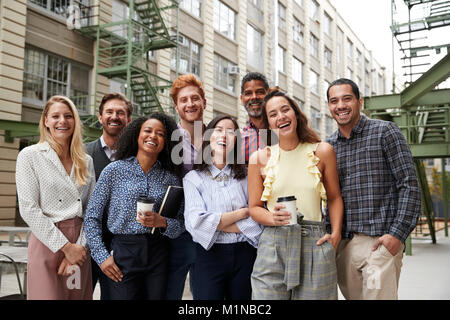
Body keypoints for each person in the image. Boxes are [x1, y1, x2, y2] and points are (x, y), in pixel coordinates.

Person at [325, 78, 421, 300]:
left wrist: (396, 235)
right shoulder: (328, 146)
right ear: (329, 106)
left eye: (347, 98)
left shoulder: (385, 132)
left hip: (379, 243)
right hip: (344, 246)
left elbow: (409, 185)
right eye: (334, 101)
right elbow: (329, 197)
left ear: (359, 101)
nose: (340, 105)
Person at [248, 88, 343, 300]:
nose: (280, 116)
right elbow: (254, 207)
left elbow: (335, 198)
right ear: (268, 124)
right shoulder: (259, 158)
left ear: (296, 114)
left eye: (285, 110)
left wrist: (335, 234)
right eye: (273, 114)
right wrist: (272, 218)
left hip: (314, 242)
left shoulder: (322, 151)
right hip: (273, 243)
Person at [84, 113, 184, 300]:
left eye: (160, 134)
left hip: (158, 253)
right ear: (137, 135)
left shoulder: (170, 178)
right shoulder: (114, 171)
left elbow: (180, 224)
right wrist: (101, 257)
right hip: (124, 251)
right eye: (147, 131)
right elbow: (91, 217)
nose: (153, 136)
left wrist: (162, 222)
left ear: (166, 142)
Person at [15, 95, 96, 300]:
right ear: (46, 121)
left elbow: (91, 210)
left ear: (75, 121)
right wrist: (65, 247)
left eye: (68, 116)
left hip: (79, 243)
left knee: (76, 297)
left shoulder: (86, 160)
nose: (62, 121)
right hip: (47, 240)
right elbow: (29, 209)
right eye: (56, 116)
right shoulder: (30, 155)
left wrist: (78, 249)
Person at [183, 115, 263, 300]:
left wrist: (216, 222)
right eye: (218, 130)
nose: (224, 135)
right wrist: (242, 213)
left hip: (245, 254)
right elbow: (196, 223)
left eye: (230, 132)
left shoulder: (247, 176)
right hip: (209, 255)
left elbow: (258, 220)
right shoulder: (193, 178)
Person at [84, 92, 132, 300]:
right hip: (86, 245)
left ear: (128, 120)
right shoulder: (83, 154)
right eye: (109, 112)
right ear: (100, 117)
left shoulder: (136, 159)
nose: (114, 116)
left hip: (122, 249)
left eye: (120, 113)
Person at [165, 74, 206, 299]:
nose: (190, 104)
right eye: (184, 100)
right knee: (172, 292)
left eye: (195, 98)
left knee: (206, 293)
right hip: (177, 230)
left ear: (204, 102)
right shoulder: (168, 139)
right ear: (176, 106)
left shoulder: (216, 136)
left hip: (210, 228)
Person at [240, 72, 270, 164]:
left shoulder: (283, 131)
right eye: (248, 93)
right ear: (242, 99)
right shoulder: (238, 140)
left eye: (260, 92)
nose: (254, 97)